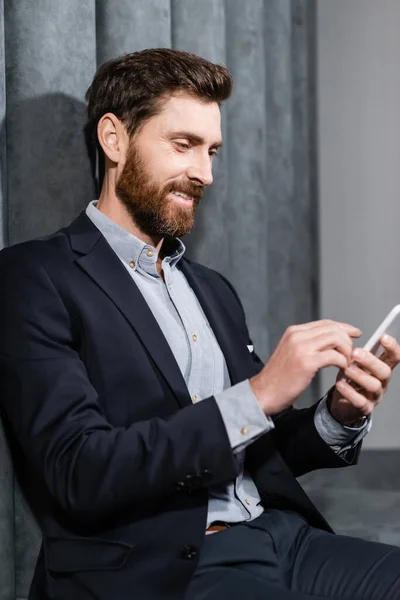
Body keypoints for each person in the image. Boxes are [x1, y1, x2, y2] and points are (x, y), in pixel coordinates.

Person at [0, 48, 400, 600]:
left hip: (282, 537)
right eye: (183, 145)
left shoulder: (209, 287)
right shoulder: (34, 276)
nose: (204, 172)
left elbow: (259, 447)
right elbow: (79, 470)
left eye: (212, 150)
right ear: (114, 139)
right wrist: (259, 394)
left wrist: (339, 414)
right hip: (169, 569)